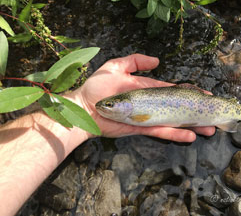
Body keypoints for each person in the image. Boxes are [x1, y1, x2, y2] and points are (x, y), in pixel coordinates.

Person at [0, 54, 215, 216]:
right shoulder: (127, 111)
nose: (103, 107)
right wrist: (81, 103)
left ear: (125, 105)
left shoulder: (134, 109)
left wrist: (80, 103)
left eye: (110, 105)